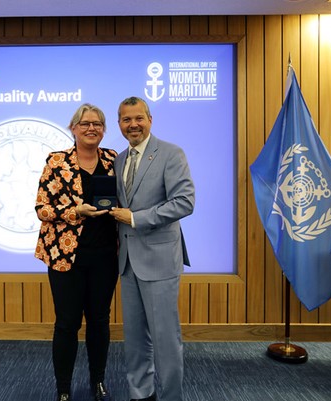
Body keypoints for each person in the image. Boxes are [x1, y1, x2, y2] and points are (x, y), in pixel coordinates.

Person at [109, 96, 195, 401]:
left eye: (138, 118)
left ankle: (171, 396)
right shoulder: (119, 160)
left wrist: (136, 218)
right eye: (126, 120)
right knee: (134, 337)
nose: (133, 125)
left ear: (150, 120)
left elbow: (184, 202)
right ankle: (141, 394)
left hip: (159, 260)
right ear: (119, 124)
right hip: (127, 261)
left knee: (164, 338)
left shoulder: (171, 153)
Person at [35, 103, 119, 401]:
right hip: (65, 257)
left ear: (104, 129)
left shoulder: (113, 159)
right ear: (73, 128)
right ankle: (63, 388)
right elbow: (42, 208)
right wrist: (75, 211)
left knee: (99, 321)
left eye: (97, 124)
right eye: (85, 123)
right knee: (67, 324)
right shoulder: (57, 161)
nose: (91, 128)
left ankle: (98, 381)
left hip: (105, 256)